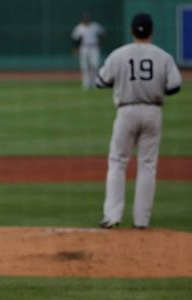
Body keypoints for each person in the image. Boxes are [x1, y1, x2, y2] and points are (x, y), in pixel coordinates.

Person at [96, 13, 182, 229]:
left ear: (132, 31)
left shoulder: (119, 54)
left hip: (126, 111)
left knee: (117, 162)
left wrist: (123, 81)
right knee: (147, 165)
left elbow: (100, 81)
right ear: (151, 31)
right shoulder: (163, 56)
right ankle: (141, 221)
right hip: (153, 112)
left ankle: (112, 216)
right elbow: (174, 86)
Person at [71, 11, 106, 90]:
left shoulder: (95, 26)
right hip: (84, 47)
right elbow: (75, 40)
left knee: (95, 65)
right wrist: (75, 49)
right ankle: (86, 84)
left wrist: (100, 42)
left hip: (94, 47)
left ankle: (95, 83)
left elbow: (103, 34)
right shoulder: (79, 27)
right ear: (82, 19)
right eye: (85, 18)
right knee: (85, 66)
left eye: (87, 18)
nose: (86, 20)